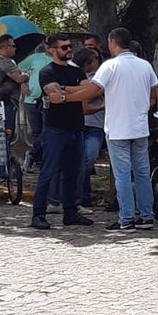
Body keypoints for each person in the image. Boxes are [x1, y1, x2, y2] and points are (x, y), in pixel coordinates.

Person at [64, 28, 158, 232]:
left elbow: (93, 90)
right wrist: (146, 105)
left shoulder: (110, 65)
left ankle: (126, 218)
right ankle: (146, 215)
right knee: (142, 173)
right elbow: (154, 91)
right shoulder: (145, 65)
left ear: (113, 43)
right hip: (140, 127)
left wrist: (66, 97)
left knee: (122, 174)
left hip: (118, 128)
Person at [30, 33, 93, 230]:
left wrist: (66, 90)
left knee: (74, 173)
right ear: (51, 50)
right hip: (55, 129)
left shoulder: (77, 71)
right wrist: (75, 91)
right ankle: (38, 214)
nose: (68, 50)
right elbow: (53, 93)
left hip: (76, 128)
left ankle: (70, 212)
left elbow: (89, 90)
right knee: (48, 172)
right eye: (64, 47)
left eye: (69, 47)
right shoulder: (47, 72)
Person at [72, 47, 105, 210]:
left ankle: (82, 195)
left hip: (95, 125)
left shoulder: (100, 78)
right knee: (79, 160)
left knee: (88, 158)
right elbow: (85, 104)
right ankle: (80, 196)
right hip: (79, 123)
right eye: (96, 59)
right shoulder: (78, 78)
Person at [18, 43, 53, 173]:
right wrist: (22, 82)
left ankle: (34, 155)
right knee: (36, 132)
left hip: (50, 101)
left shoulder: (60, 60)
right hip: (32, 99)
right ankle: (37, 160)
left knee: (48, 131)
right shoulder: (35, 58)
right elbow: (18, 69)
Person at [0, 34, 29, 141]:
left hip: (6, 100)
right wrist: (28, 74)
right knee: (7, 132)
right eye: (13, 46)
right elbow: (19, 78)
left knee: (7, 132)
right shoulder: (3, 61)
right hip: (6, 100)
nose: (15, 48)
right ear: (6, 47)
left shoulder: (5, 60)